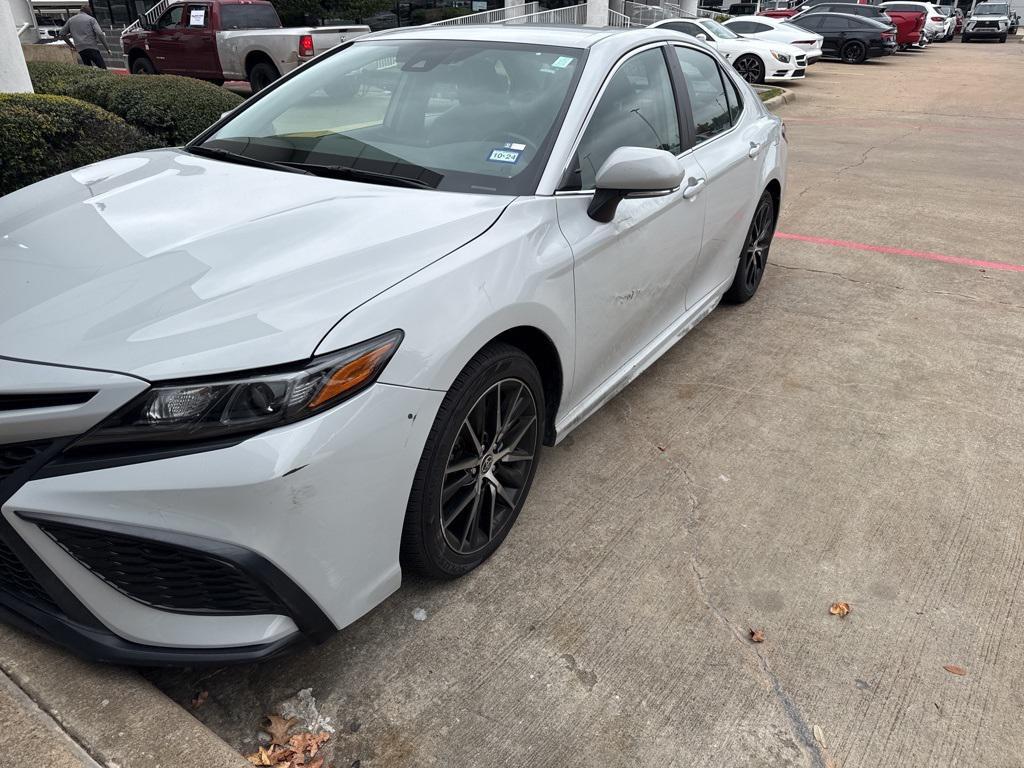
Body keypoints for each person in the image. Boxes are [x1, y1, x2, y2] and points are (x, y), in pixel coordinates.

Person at [59, 5, 111, 69]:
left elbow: (62, 33)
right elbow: (100, 33)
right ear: (88, 11)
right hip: (92, 46)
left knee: (88, 68)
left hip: (80, 48)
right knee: (102, 68)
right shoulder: (91, 19)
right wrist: (107, 48)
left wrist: (72, 46)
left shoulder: (71, 20)